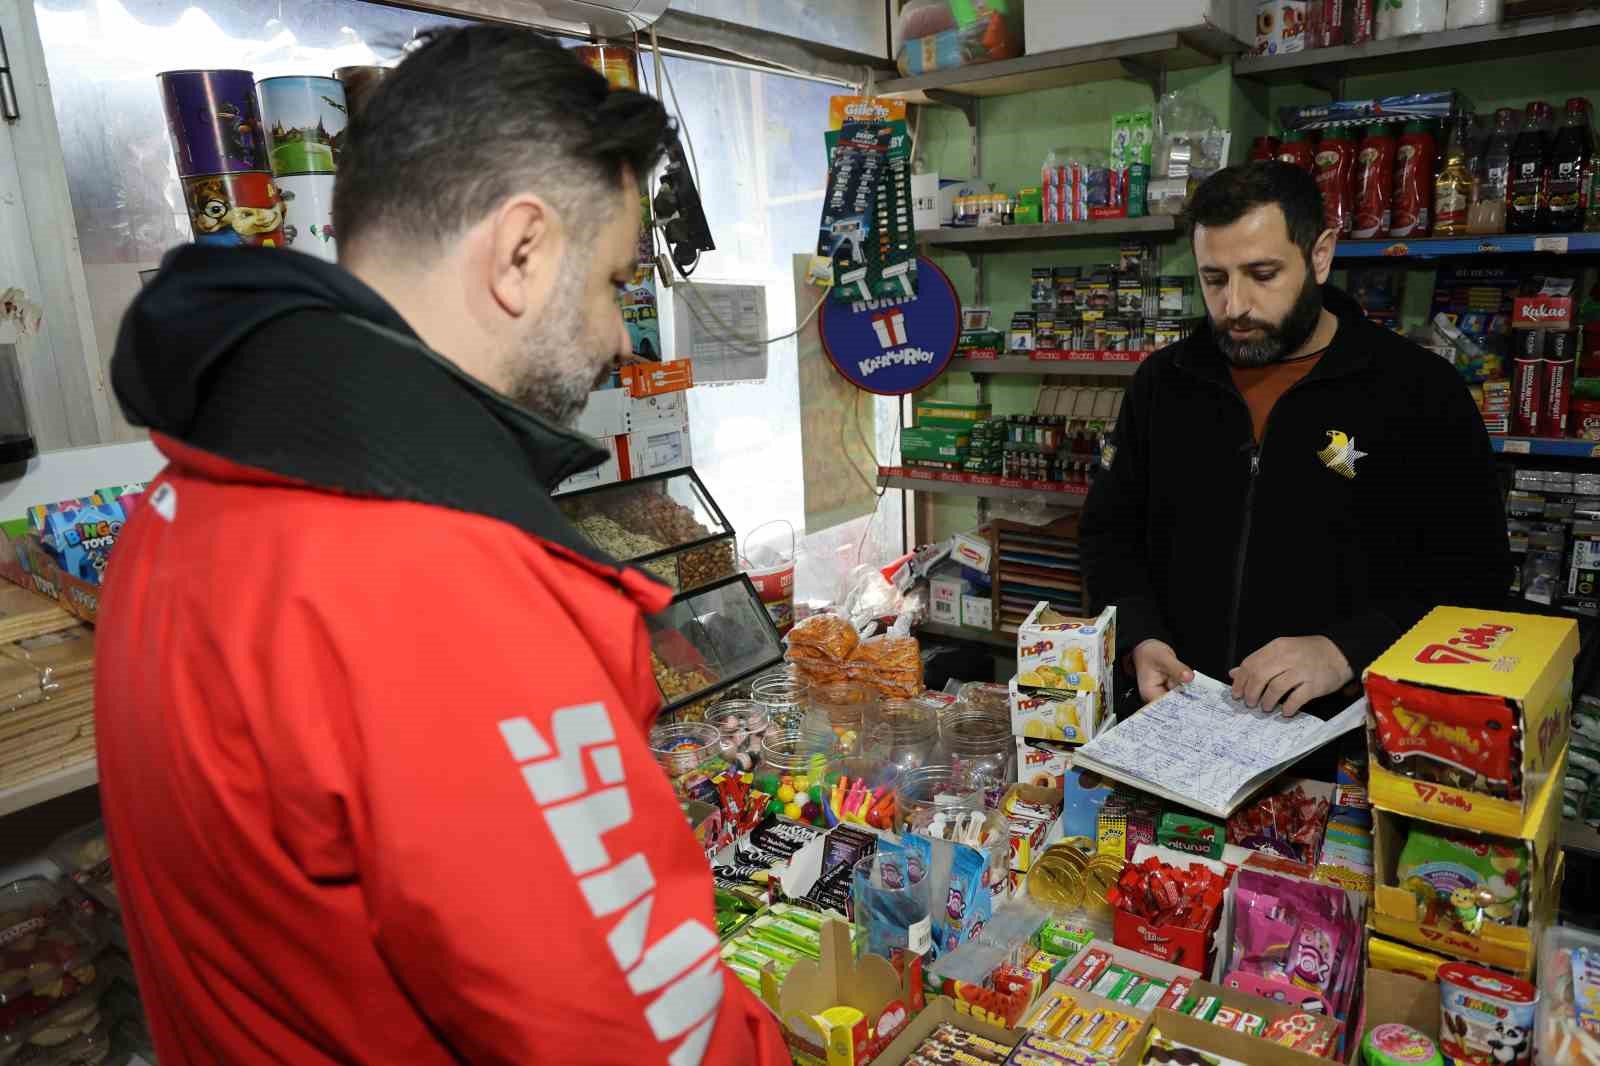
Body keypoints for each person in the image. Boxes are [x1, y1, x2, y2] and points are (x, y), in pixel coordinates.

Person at [96, 26, 787, 1066]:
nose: (617, 338)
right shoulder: (440, 580)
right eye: (609, 281)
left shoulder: (186, 490)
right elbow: (637, 1037)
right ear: (521, 251)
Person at [1081, 161, 1510, 721]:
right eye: (1214, 279)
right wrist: (1140, 635)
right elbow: (1108, 534)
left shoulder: (1418, 392)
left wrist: (1347, 650)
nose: (1234, 306)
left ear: (1321, 256)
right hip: (1178, 721)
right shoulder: (1164, 383)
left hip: (1341, 736)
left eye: (1262, 275)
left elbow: (1476, 579)